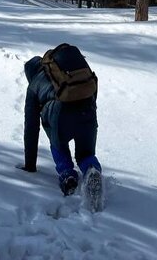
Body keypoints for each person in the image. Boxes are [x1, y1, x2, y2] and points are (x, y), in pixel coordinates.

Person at [17, 50, 103, 203]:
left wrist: (30, 165)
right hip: (87, 110)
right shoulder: (66, 72)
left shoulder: (34, 86)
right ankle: (92, 170)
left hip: (61, 115)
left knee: (58, 145)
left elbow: (31, 127)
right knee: (85, 154)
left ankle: (68, 176)